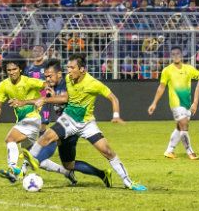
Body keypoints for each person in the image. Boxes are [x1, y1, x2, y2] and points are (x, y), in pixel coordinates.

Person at [21, 54, 146, 191]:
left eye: (72, 67)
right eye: (68, 67)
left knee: (108, 151)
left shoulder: (93, 83)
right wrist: (45, 97)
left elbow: (113, 98)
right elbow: (66, 97)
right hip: (68, 119)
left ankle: (128, 182)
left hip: (87, 124)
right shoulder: (68, 79)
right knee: (49, 140)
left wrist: (116, 115)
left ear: (82, 70)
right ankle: (30, 160)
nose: (69, 70)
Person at [0, 55, 75, 184]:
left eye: (14, 69)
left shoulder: (28, 81)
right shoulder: (4, 85)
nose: (12, 72)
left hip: (32, 120)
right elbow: (0, 98)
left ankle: (13, 169)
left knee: (10, 139)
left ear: (20, 69)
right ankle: (67, 172)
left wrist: (49, 90)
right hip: (22, 121)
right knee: (34, 158)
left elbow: (45, 84)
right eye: (9, 70)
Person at [42, 59, 112, 187]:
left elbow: (67, 101)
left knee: (46, 143)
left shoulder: (66, 83)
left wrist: (52, 99)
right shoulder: (55, 87)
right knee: (69, 164)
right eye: (46, 76)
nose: (47, 79)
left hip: (71, 125)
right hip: (65, 123)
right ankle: (102, 174)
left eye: (49, 76)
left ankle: (27, 163)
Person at [147, 46, 199, 160]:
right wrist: (154, 103)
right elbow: (161, 87)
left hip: (187, 104)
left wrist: (195, 101)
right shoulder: (167, 70)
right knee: (184, 125)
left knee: (179, 127)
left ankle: (169, 151)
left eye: (178, 53)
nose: (176, 56)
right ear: (171, 56)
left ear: (181, 55)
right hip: (176, 104)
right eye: (173, 54)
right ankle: (190, 152)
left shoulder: (189, 69)